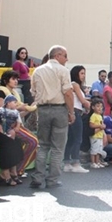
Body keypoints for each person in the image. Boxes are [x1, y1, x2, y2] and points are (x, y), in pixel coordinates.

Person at [30, 45, 75, 188]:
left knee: (42, 145)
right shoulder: (63, 71)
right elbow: (68, 93)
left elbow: (33, 92)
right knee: (57, 147)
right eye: (65, 56)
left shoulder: (38, 70)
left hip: (42, 110)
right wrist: (71, 112)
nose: (67, 59)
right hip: (59, 109)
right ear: (57, 56)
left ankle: (38, 177)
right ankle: (52, 179)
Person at [0, 70, 39, 177]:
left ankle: (17, 170)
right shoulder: (1, 92)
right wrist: (23, 107)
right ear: (5, 80)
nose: (16, 81)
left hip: (17, 124)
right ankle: (17, 170)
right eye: (13, 79)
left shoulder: (15, 94)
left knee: (33, 142)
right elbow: (1, 109)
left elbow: (18, 114)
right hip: (6, 126)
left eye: (17, 79)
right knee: (32, 142)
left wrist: (31, 108)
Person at [63, 65, 90, 173]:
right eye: (82, 73)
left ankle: (67, 162)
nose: (83, 76)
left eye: (84, 73)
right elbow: (82, 100)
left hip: (71, 112)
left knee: (70, 139)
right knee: (78, 138)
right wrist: (89, 105)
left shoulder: (72, 85)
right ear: (76, 74)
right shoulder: (75, 84)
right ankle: (75, 163)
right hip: (76, 112)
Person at [89, 99, 107, 168]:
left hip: (100, 135)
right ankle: (93, 162)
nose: (100, 108)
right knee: (94, 150)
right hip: (95, 136)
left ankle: (97, 161)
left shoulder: (100, 116)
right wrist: (100, 126)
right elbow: (91, 125)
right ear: (93, 107)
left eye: (101, 106)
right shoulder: (94, 115)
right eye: (98, 106)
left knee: (99, 150)